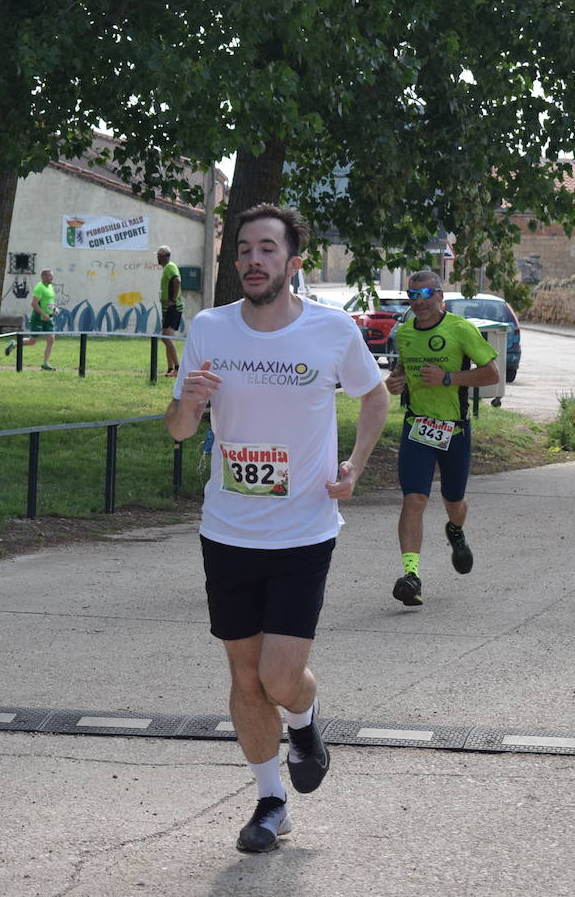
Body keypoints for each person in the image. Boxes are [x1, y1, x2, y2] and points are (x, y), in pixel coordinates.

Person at [166, 203, 388, 853]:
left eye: (267, 249)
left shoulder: (331, 329)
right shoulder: (209, 328)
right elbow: (178, 430)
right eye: (244, 249)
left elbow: (374, 397)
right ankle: (270, 801)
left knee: (280, 679)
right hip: (228, 530)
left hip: (303, 531)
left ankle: (305, 719)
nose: (253, 260)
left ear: (294, 261)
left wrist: (354, 466)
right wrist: (190, 403)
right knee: (245, 678)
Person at [385, 271, 499, 607]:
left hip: (454, 430)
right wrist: (395, 381)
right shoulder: (405, 333)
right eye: (412, 294)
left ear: (439, 295)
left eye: (425, 294)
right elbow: (402, 371)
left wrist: (448, 378)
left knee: (454, 502)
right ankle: (411, 576)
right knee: (414, 499)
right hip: (417, 427)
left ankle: (456, 530)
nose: (418, 301)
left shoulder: (460, 329)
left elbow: (492, 374)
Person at [4, 268, 57, 370]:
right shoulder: (39, 287)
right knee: (32, 341)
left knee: (51, 339)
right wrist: (43, 314)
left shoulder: (50, 287)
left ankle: (45, 364)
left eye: (52, 275)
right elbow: (34, 304)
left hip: (49, 318)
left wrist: (55, 309)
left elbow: (50, 301)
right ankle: (15, 344)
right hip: (38, 318)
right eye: (50, 275)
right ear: (43, 277)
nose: (52, 277)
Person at [157, 245, 183, 376]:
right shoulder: (167, 268)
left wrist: (172, 300)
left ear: (162, 256)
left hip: (174, 307)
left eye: (158, 256)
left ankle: (178, 368)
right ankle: (170, 369)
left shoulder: (170, 267)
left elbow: (177, 281)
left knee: (165, 337)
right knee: (168, 337)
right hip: (168, 308)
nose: (157, 258)